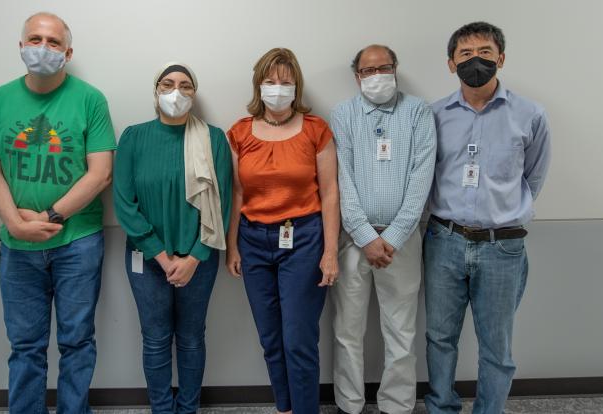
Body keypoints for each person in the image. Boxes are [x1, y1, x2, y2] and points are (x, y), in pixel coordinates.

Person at [0, 12, 116, 413]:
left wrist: (50, 216)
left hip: (78, 243)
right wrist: (17, 223)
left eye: (53, 42)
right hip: (16, 247)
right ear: (21, 47)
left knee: (77, 342)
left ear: (68, 52)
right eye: (35, 39)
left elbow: (101, 173)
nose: (43, 48)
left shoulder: (90, 99)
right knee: (25, 347)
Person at [424, 22, 551, 414]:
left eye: (484, 51)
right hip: (445, 240)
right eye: (465, 54)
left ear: (501, 58)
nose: (475, 60)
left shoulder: (529, 114)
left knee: (497, 345)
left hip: (503, 246)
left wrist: (506, 211)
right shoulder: (434, 115)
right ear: (450, 64)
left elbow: (534, 175)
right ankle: (442, 407)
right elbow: (426, 174)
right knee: (440, 337)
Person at [225, 48, 340, 414]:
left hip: (303, 239)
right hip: (252, 240)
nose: (277, 89)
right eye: (270, 82)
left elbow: (330, 192)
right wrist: (232, 247)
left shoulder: (316, 129)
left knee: (298, 338)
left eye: (285, 82)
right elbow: (237, 193)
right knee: (271, 338)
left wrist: (331, 251)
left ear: (296, 87)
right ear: (258, 86)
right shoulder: (239, 132)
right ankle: (285, 406)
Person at [113, 63, 231, 414]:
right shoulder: (133, 137)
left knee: (192, 338)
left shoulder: (213, 138)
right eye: (168, 84)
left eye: (184, 85)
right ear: (156, 91)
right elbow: (124, 202)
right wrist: (162, 257)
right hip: (146, 259)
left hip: (201, 257)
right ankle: (162, 409)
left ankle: (189, 407)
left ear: (194, 94)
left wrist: (194, 256)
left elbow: (223, 202)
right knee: (155, 339)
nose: (176, 91)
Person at [330, 45, 436, 414]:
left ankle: (396, 405)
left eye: (383, 68)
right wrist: (365, 236)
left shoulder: (419, 112)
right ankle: (349, 404)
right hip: (353, 240)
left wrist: (389, 238)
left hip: (401, 241)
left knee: (401, 333)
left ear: (395, 69)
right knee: (347, 332)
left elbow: (422, 178)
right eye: (367, 71)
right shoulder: (343, 114)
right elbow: (341, 179)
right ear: (357, 76)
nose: (376, 76)